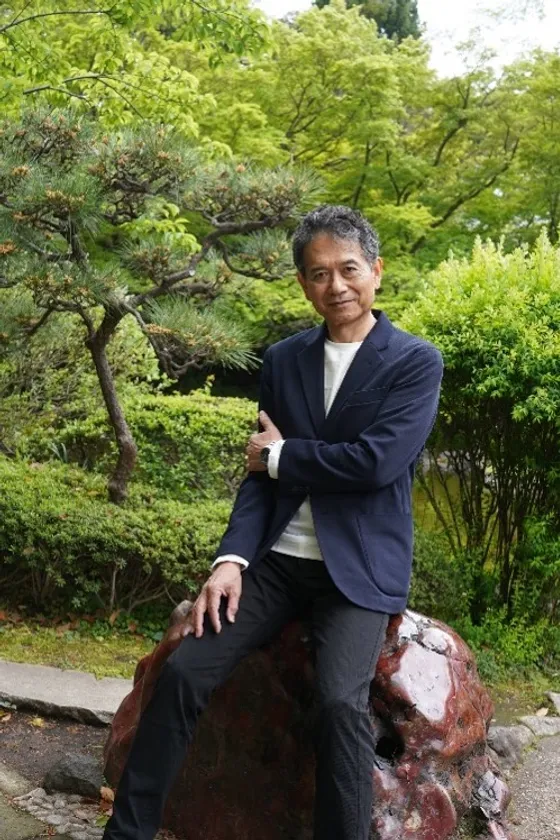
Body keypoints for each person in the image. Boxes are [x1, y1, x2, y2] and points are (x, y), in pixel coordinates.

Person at [103, 204, 443, 840]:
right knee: (183, 672)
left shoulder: (415, 362)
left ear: (376, 270)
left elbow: (376, 463)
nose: (336, 285)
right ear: (303, 283)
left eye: (349, 269)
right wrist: (230, 560)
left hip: (357, 570)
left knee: (340, 704)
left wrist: (284, 455)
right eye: (319, 273)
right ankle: (127, 832)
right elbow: (259, 480)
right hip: (276, 562)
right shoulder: (285, 360)